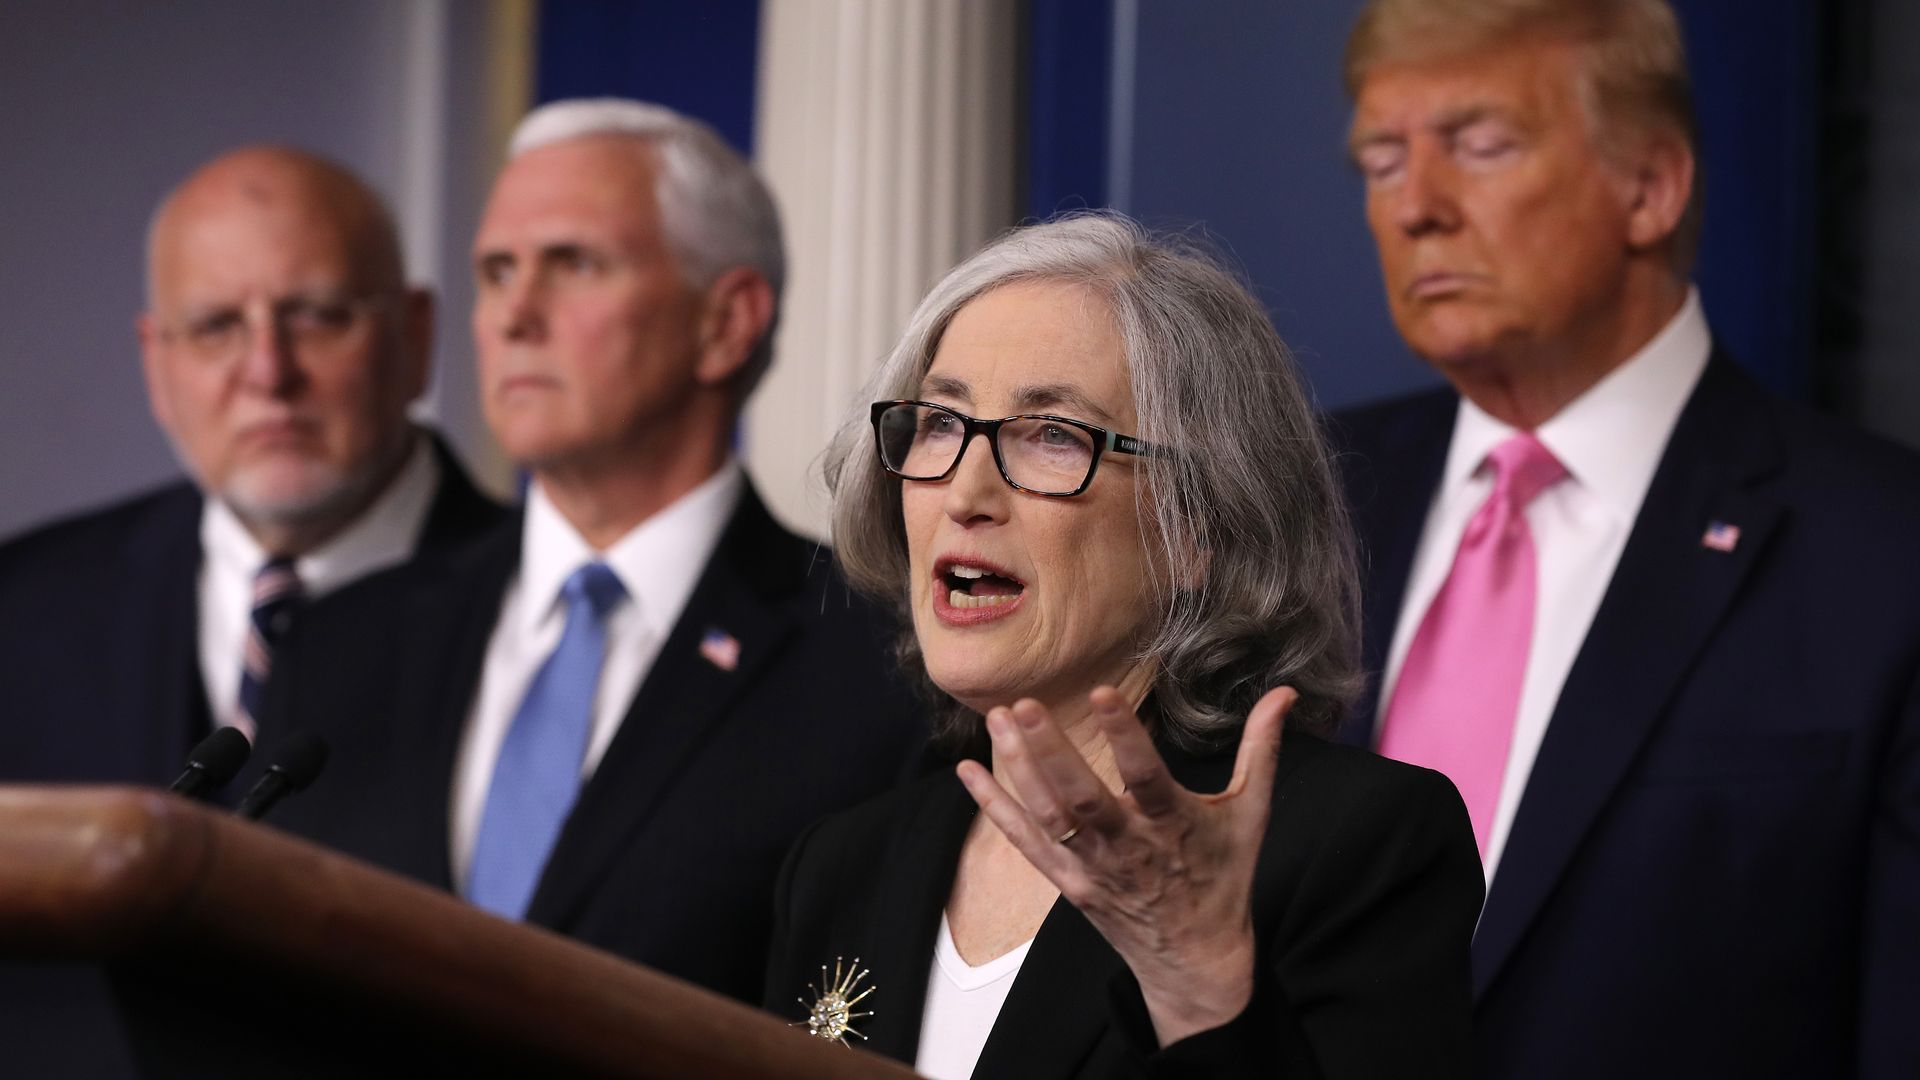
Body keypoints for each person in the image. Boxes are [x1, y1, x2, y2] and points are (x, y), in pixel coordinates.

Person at [1333, 1, 1920, 1076]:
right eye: (1380, 159)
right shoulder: (1302, 501)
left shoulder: (1886, 555)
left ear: (1650, 186)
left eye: (1480, 145)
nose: (1416, 206)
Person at [763, 214, 1481, 1079]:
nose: (965, 491)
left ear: (1196, 529)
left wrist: (1198, 985)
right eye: (941, 423)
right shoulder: (842, 866)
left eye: (1053, 436)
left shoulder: (1353, 843)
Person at [252, 99, 922, 1004]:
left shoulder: (878, 662)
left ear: (725, 322)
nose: (515, 315)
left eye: (573, 264)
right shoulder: (341, 647)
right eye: (495, 272)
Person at [0, 145, 501, 1074]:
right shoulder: (23, 608)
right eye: (218, 326)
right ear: (157, 363)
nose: (269, 372)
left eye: (316, 316)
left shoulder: (551, 619)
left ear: (418, 336)